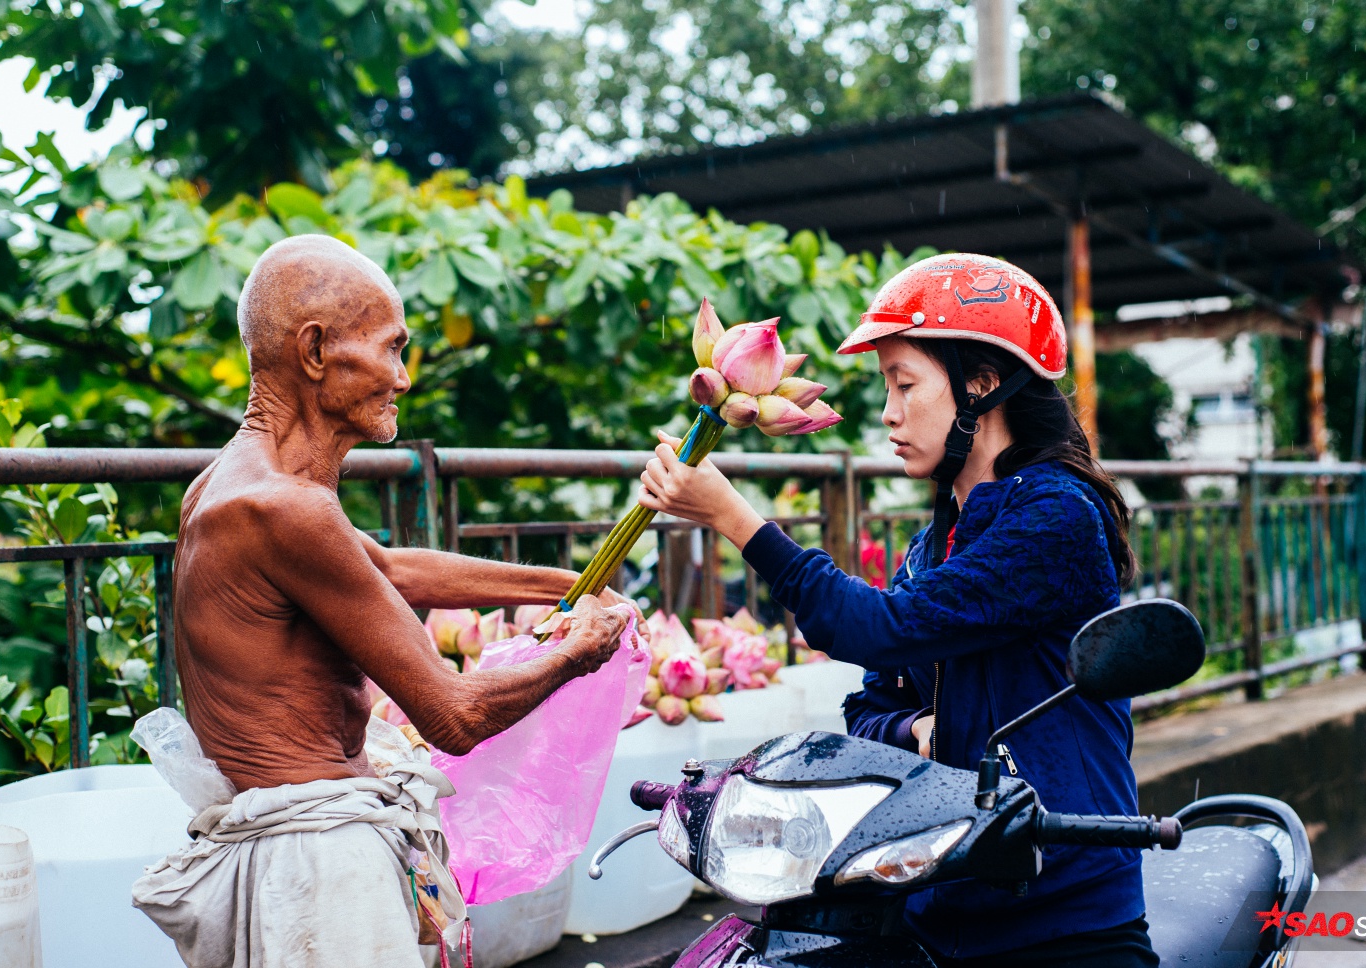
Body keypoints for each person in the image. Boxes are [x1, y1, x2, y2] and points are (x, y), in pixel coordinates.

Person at [636, 252, 1158, 967]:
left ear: (981, 384)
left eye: (904, 385)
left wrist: (734, 518)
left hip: (1062, 911)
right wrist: (916, 728)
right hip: (942, 900)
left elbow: (880, 631)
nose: (888, 413)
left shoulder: (1054, 516)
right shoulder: (935, 543)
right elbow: (868, 706)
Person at [132, 234, 636, 968]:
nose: (402, 377)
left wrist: (573, 587)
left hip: (306, 848)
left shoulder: (232, 484)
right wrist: (577, 652)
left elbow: (390, 571)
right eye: (391, 349)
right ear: (315, 353)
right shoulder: (284, 509)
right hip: (317, 868)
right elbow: (455, 717)